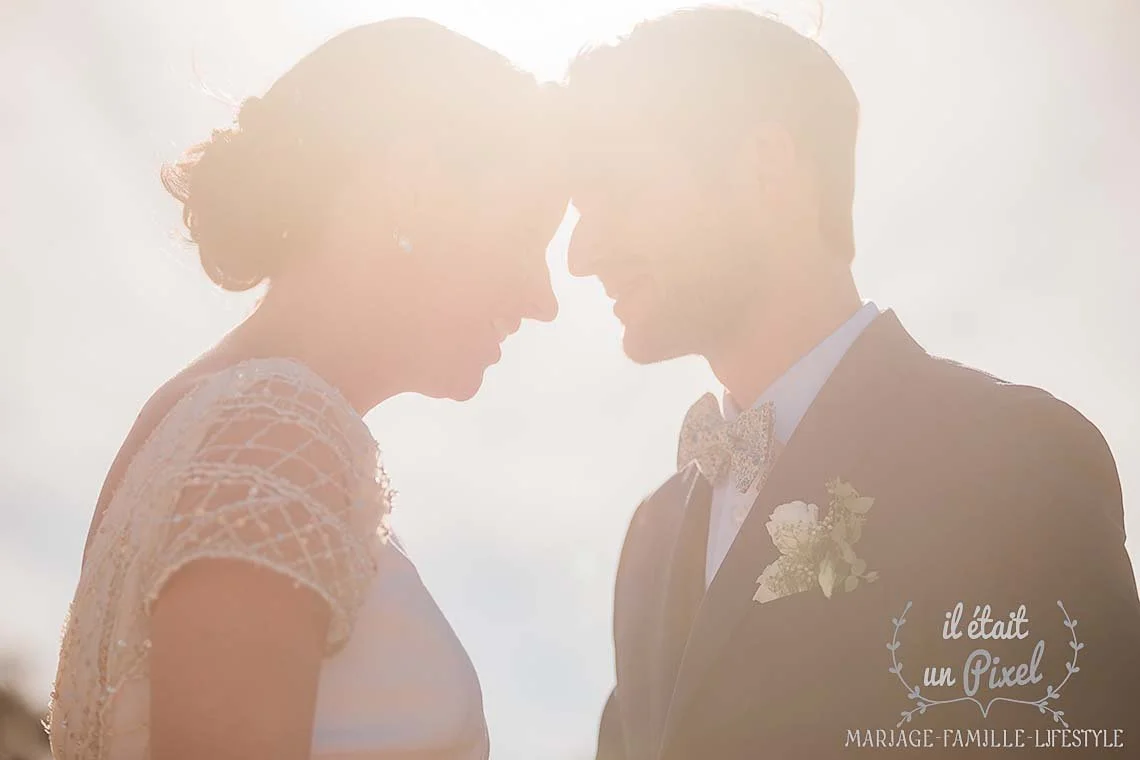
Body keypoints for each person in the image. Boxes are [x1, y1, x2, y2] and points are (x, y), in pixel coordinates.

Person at [563, 7, 1140, 758]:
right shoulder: (653, 536)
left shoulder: (1013, 460)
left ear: (766, 164)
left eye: (615, 188)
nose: (580, 253)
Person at [48, 18, 566, 760]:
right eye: (526, 234)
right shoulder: (274, 428)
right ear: (410, 192)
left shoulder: (204, 419)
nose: (543, 298)